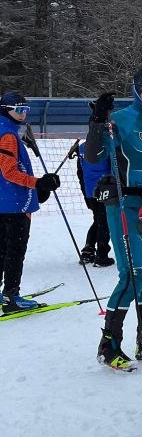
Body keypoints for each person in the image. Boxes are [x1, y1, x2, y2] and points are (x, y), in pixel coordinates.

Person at [85, 69, 142, 370]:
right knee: (133, 273)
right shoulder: (120, 118)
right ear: (136, 89)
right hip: (125, 203)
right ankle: (109, 344)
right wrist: (96, 123)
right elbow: (93, 156)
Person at [0, 91, 59, 311]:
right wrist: (38, 184)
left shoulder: (6, 130)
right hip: (14, 204)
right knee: (14, 251)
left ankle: (5, 294)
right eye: (19, 110)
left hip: (5, 201)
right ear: (7, 110)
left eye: (26, 110)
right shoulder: (7, 134)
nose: (23, 114)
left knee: (3, 250)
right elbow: (9, 172)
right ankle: (11, 297)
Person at [73, 138, 113, 267]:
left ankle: (88, 250)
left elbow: (80, 172)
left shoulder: (83, 147)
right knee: (104, 222)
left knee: (99, 220)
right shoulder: (108, 145)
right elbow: (114, 167)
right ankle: (102, 255)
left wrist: (85, 192)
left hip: (90, 189)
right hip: (105, 188)